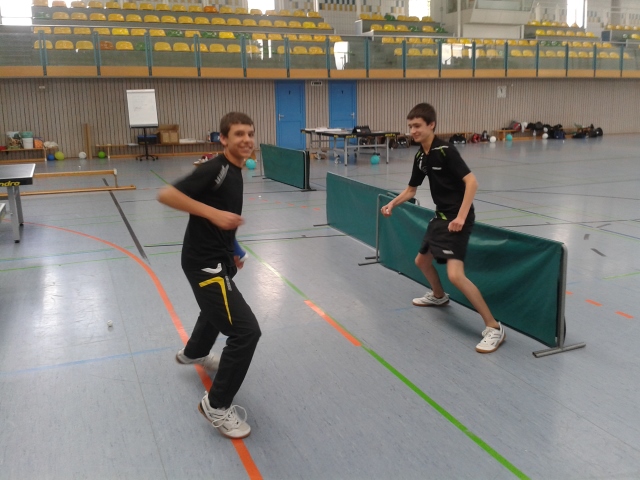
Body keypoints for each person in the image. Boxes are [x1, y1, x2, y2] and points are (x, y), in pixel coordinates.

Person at [157, 112, 261, 438]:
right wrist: (213, 213)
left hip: (219, 257)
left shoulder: (236, 170)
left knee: (214, 308)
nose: (246, 139)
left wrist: (234, 248)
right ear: (223, 139)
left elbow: (226, 218)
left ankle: (195, 352)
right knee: (246, 332)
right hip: (204, 264)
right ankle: (215, 405)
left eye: (250, 133)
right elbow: (167, 195)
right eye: (239, 134)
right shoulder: (216, 169)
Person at [380, 103, 505, 354]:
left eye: (417, 126)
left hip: (458, 218)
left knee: (456, 276)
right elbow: (411, 189)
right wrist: (393, 203)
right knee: (421, 261)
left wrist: (461, 217)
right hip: (440, 216)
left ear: (431, 125)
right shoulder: (420, 156)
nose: (413, 131)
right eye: (410, 126)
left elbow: (472, 182)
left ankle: (493, 327)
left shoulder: (445, 150)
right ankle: (439, 296)